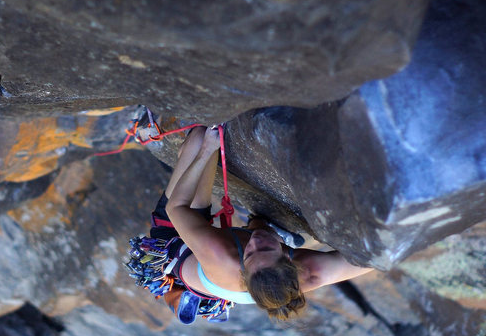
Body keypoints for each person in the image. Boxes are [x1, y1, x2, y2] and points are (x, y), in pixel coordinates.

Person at [142, 125, 372, 321]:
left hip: (176, 248)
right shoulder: (310, 273)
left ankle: (183, 290)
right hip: (222, 272)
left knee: (199, 139)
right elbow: (375, 259)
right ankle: (267, 232)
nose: (256, 243)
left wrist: (207, 151)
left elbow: (176, 208)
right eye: (267, 249)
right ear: (290, 261)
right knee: (260, 229)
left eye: (250, 254)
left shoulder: (220, 254)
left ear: (245, 270)